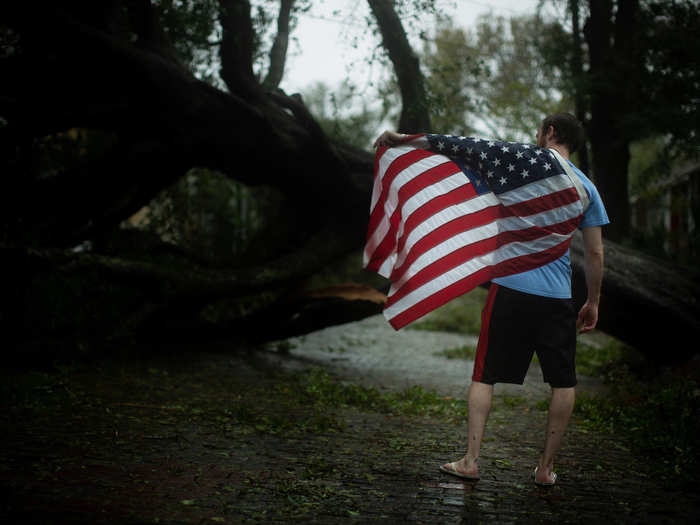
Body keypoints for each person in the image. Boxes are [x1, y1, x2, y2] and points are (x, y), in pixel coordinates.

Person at [374, 113, 609, 486]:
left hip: (510, 289)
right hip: (557, 298)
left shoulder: (521, 163)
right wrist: (592, 301)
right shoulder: (587, 189)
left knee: (484, 375)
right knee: (563, 383)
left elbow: (466, 147)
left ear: (549, 132)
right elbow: (595, 255)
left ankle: (470, 460)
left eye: (540, 130)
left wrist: (403, 139)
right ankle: (545, 470)